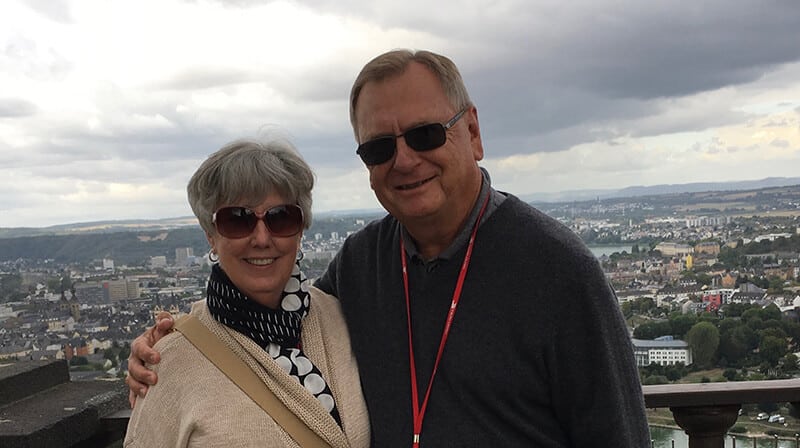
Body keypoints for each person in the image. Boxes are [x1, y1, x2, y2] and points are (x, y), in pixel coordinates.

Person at [128, 50, 650, 447]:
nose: (403, 161)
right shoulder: (362, 265)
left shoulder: (559, 271)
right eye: (379, 147)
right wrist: (163, 346)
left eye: (424, 135)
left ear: (472, 132)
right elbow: (266, 308)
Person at [123, 139, 369, 448]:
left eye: (281, 217)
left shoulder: (340, 319)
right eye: (238, 220)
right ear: (210, 236)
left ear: (301, 227)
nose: (262, 238)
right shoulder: (170, 361)